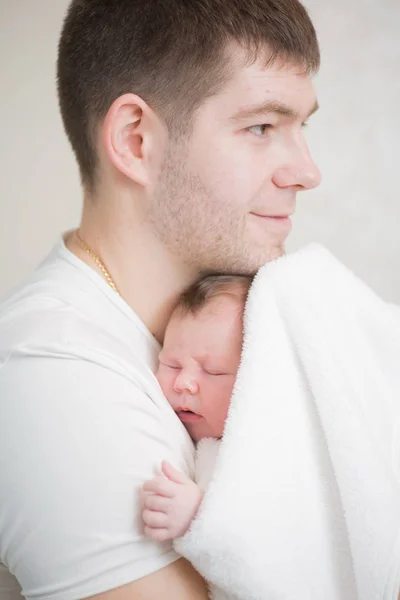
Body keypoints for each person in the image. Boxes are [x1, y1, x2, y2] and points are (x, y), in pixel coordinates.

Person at [0, 0, 321, 597]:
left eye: (303, 127)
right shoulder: (54, 370)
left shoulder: (264, 323)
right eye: (261, 127)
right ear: (136, 139)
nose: (306, 171)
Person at [142, 274, 252, 543]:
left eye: (213, 371)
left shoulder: (260, 452)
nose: (183, 383)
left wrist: (200, 516)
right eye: (172, 365)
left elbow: (274, 531)